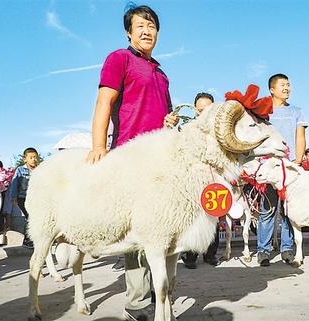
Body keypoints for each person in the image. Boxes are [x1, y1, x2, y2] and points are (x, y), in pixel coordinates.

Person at [86, 5, 177, 321]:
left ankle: (159, 296)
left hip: (161, 161)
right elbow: (104, 102)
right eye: (140, 25)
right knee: (140, 233)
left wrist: (169, 123)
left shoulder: (161, 72)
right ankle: (137, 303)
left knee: (164, 229)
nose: (147, 31)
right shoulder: (119, 59)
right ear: (128, 31)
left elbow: (162, 115)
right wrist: (98, 146)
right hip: (130, 157)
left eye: (152, 26)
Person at [257, 73, 307, 267]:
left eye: (288, 85)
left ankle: (287, 249)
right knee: (267, 209)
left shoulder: (296, 111)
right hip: (268, 167)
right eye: (282, 85)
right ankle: (263, 250)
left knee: (288, 210)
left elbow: (300, 136)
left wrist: (299, 159)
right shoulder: (262, 111)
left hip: (289, 168)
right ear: (272, 89)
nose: (287, 88)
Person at [181, 92, 219, 269]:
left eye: (208, 109)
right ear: (195, 109)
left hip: (213, 178)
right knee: (191, 218)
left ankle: (210, 254)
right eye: (201, 109)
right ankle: (190, 255)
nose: (204, 112)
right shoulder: (186, 127)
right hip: (192, 178)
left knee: (213, 215)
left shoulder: (219, 128)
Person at [9, 147, 39, 248]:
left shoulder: (39, 170)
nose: (34, 159)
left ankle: (33, 237)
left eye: (35, 157)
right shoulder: (20, 170)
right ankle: (28, 239)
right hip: (23, 197)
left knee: (35, 217)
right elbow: (14, 183)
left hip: (36, 198)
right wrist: (13, 197)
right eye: (31, 157)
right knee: (30, 217)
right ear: (25, 159)